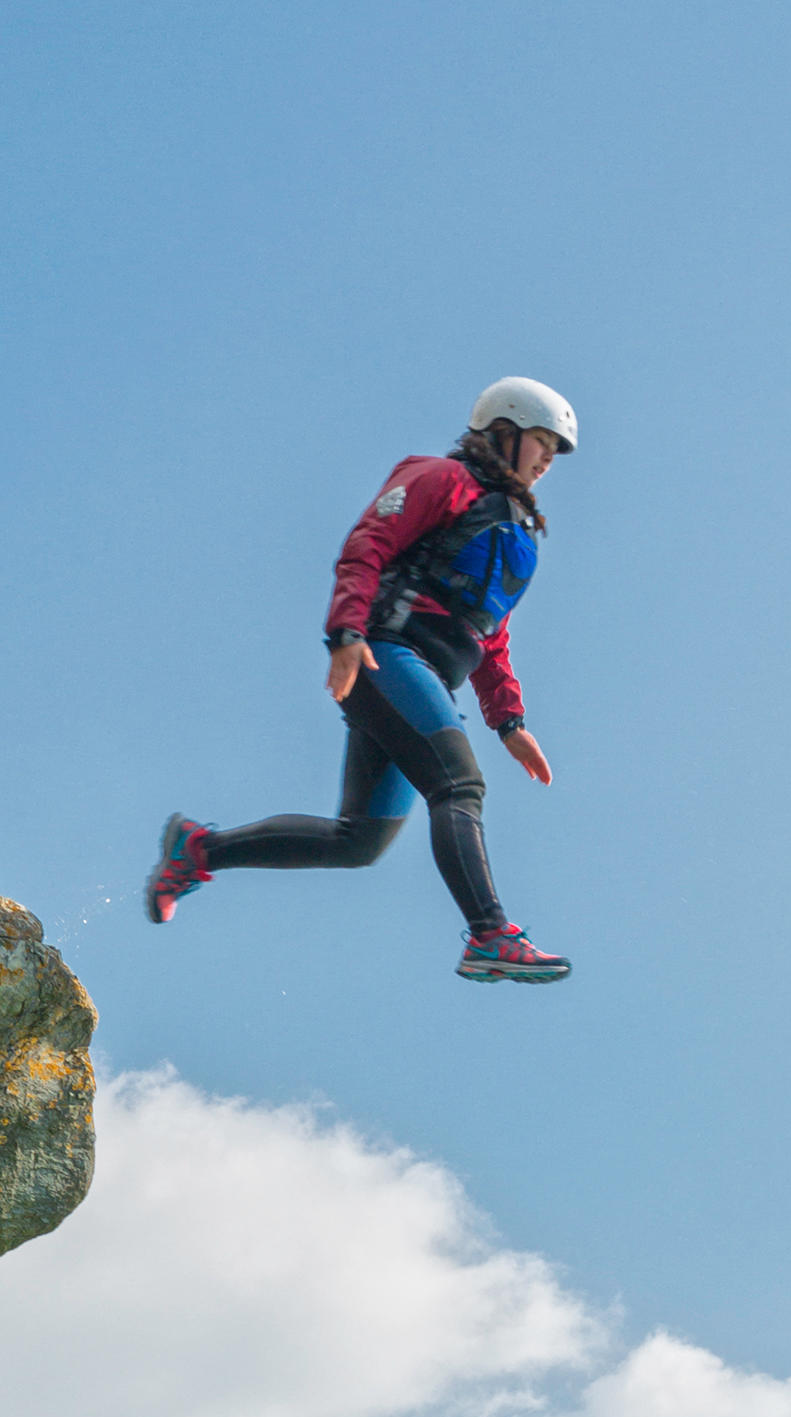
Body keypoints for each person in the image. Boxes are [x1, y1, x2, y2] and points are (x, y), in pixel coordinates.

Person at [146, 377, 577, 984]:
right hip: (385, 657)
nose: (546, 461)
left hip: (429, 680)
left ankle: (198, 850)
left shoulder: (516, 531)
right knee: (458, 786)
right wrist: (346, 634)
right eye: (541, 442)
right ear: (502, 430)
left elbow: (491, 635)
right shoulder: (439, 478)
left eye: (555, 453)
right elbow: (367, 545)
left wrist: (509, 721)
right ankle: (490, 935)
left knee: (359, 842)